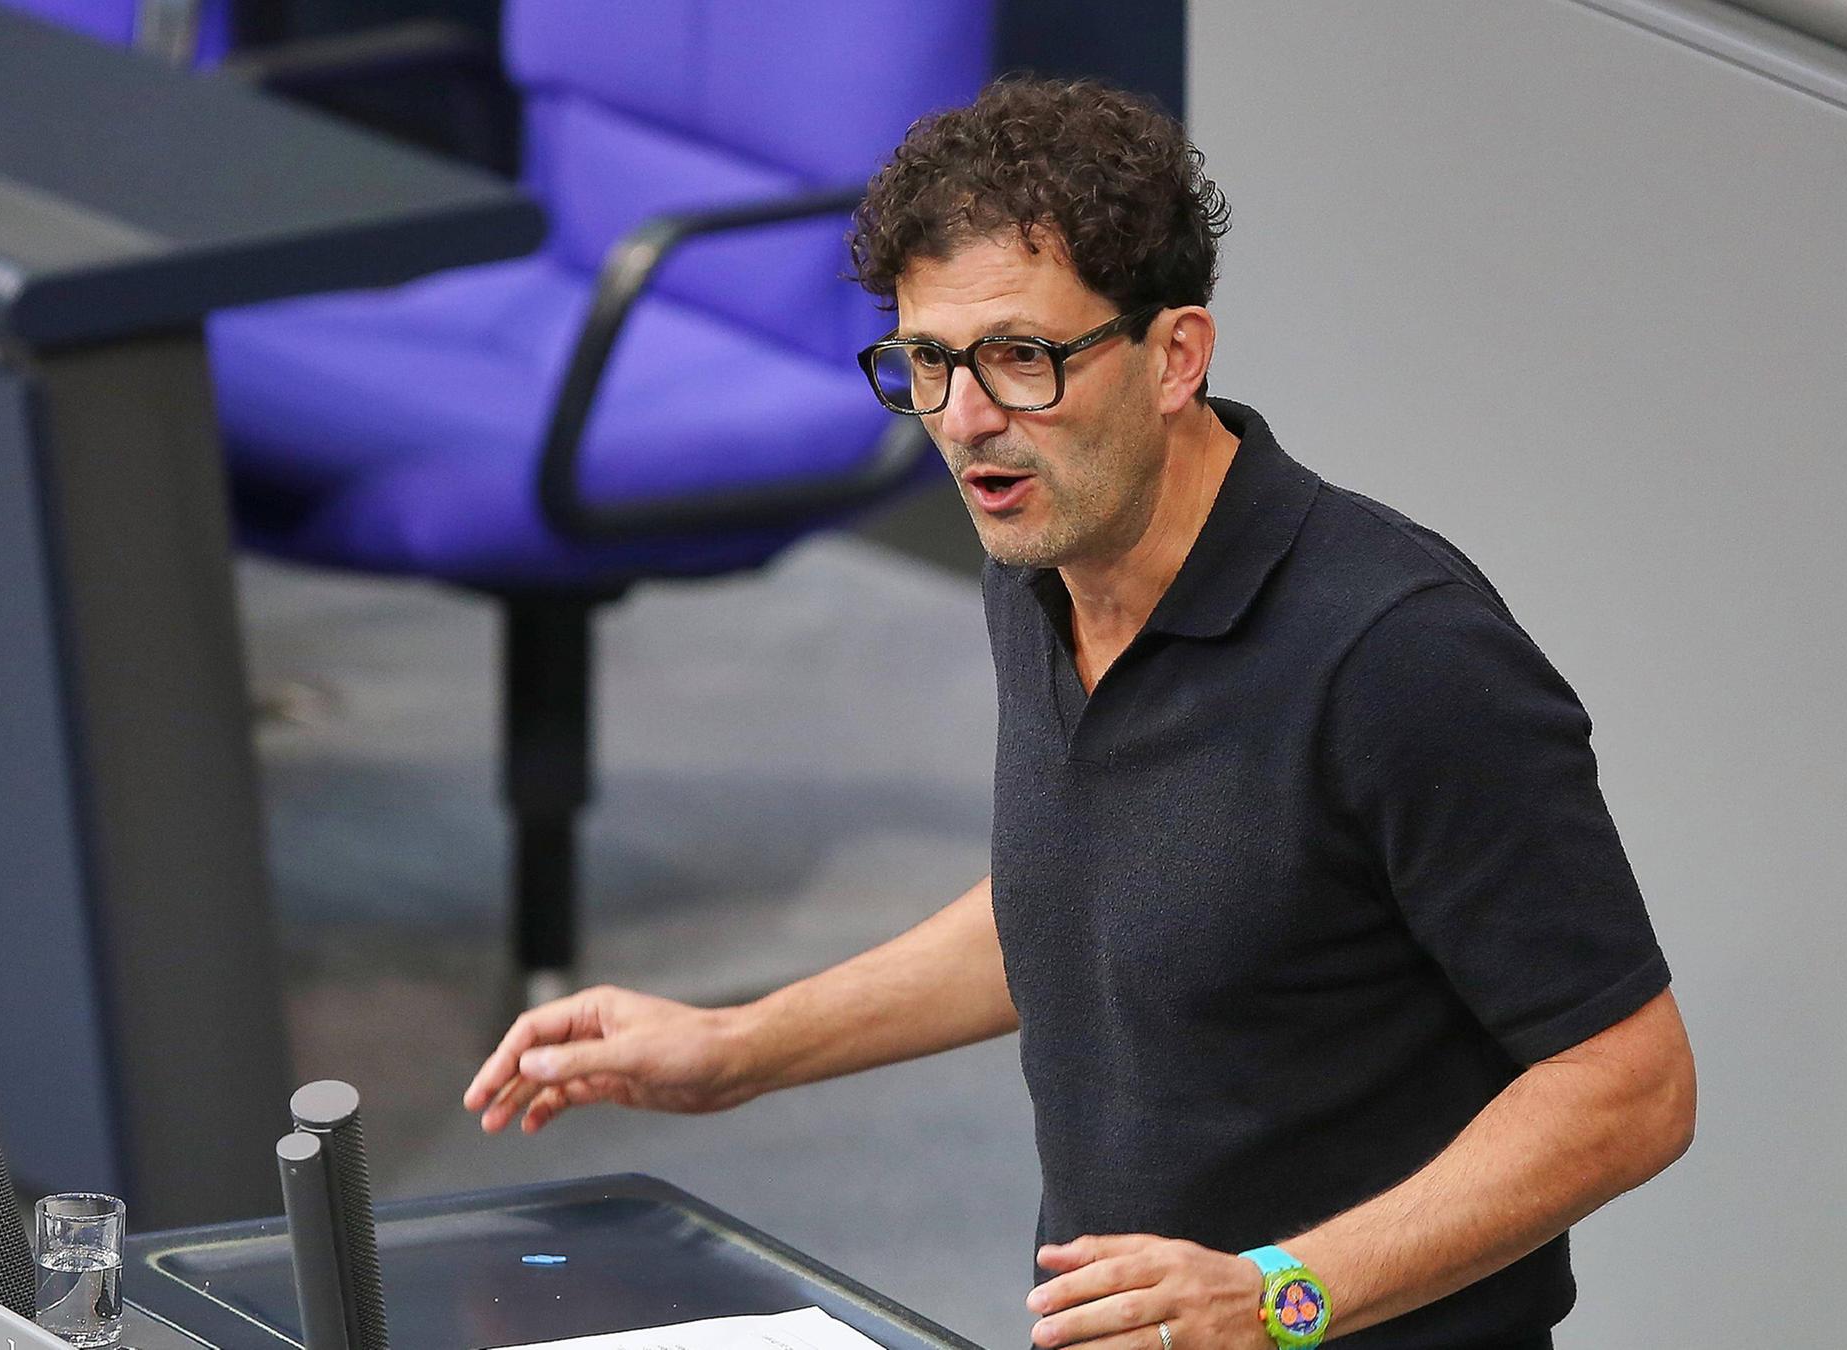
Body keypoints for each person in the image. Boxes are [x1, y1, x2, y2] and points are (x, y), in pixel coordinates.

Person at [464, 78, 1694, 1350]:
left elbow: (1631, 1085)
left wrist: (1278, 1297)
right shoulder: (1044, 560)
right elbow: (1069, 905)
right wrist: (740, 1048)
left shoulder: (1403, 655)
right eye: (928, 361)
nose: (965, 422)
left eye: (1021, 357)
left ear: (1176, 357)